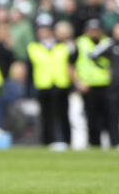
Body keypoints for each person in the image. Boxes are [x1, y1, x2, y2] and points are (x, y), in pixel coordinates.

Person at [27, 19, 73, 147]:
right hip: (43, 85)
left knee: (63, 114)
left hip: (61, 84)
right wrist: (29, 89)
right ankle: (48, 141)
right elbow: (30, 70)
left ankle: (66, 141)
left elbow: (70, 65)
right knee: (46, 116)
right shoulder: (33, 47)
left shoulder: (63, 46)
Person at [71, 19, 112, 148]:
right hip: (88, 86)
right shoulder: (80, 43)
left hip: (107, 85)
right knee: (91, 117)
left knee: (109, 116)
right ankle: (94, 143)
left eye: (96, 30)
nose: (94, 32)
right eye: (91, 30)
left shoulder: (107, 42)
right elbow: (70, 64)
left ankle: (112, 142)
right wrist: (78, 82)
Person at [89, 22, 119, 149]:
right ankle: (115, 142)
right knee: (113, 114)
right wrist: (104, 67)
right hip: (114, 85)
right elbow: (93, 54)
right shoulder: (109, 43)